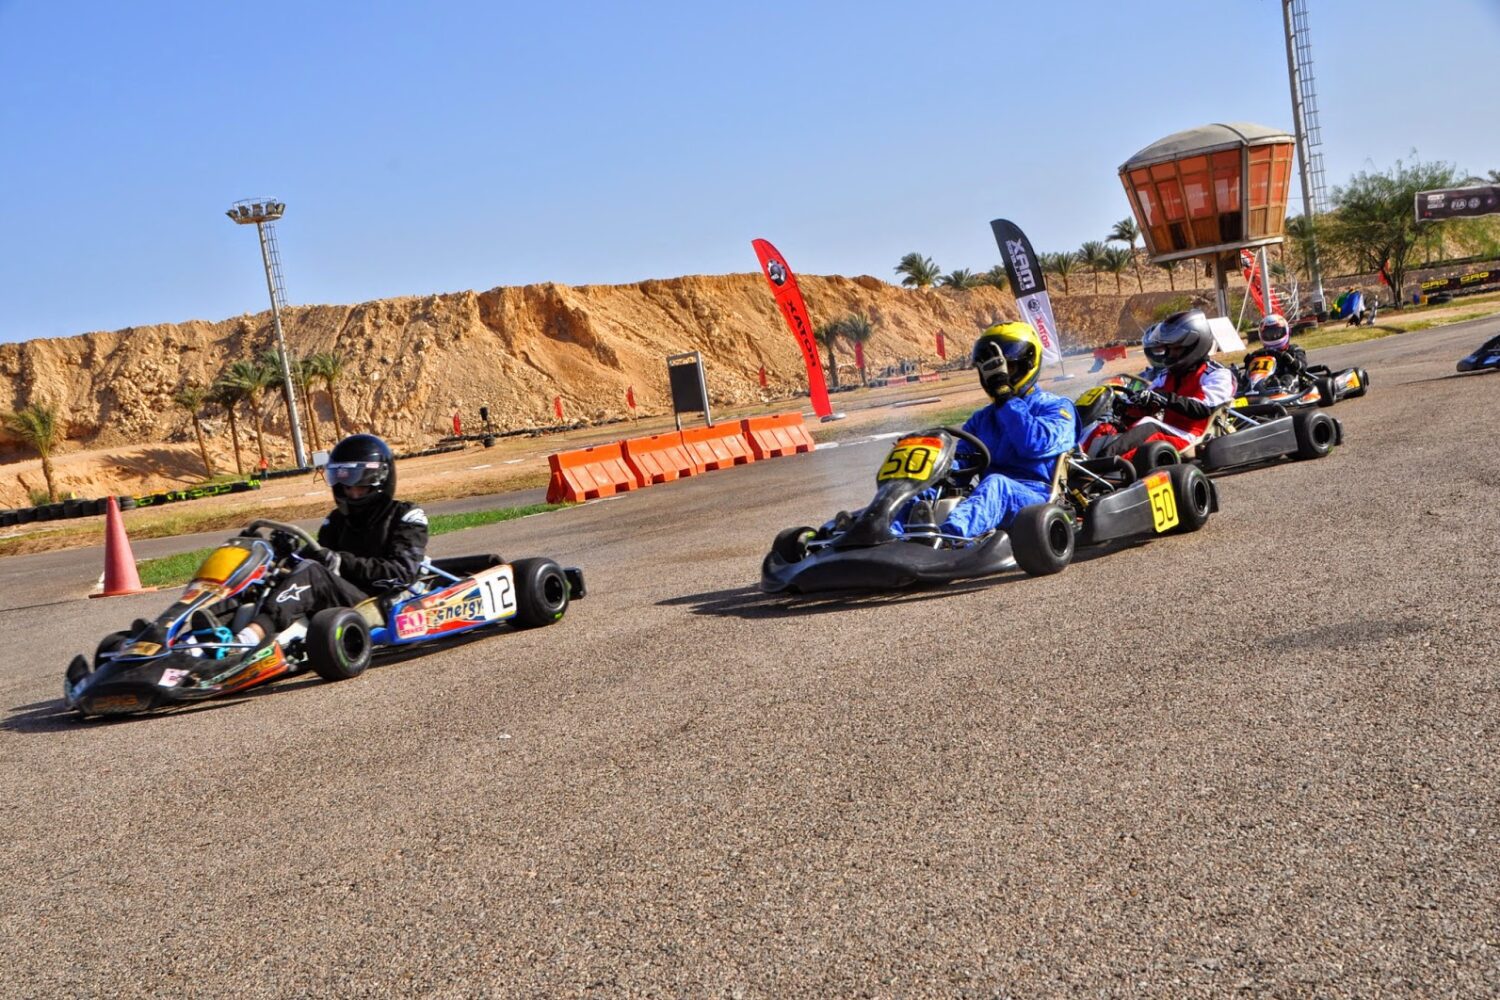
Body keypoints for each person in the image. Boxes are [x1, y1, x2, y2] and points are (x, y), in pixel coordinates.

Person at [231, 433, 429, 647]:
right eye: (345, 484)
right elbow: (316, 555)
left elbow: (401, 574)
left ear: (379, 479)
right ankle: (206, 635)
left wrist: (341, 562)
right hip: (337, 599)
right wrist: (280, 554)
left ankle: (249, 638)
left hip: (375, 603)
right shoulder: (337, 520)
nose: (352, 492)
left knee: (312, 573)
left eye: (359, 484)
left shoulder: (406, 515)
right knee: (261, 573)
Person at [924, 322, 1076, 538]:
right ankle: (881, 532)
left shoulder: (1056, 407)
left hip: (1037, 499)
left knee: (997, 485)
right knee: (921, 489)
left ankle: (949, 539)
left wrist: (1006, 398)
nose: (995, 378)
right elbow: (962, 464)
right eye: (990, 372)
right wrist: (935, 476)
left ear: (1027, 364)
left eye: (1007, 369)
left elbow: (1033, 444)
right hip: (986, 498)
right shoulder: (982, 419)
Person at [1091, 309, 1237, 458]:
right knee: (1107, 426)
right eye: (1169, 349)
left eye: (1176, 349)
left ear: (1194, 345)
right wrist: (1126, 407)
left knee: (1149, 426)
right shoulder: (1167, 375)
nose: (1171, 354)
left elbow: (1204, 408)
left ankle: (1103, 462)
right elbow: (1150, 397)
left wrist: (1164, 398)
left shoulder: (1217, 374)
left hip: (1191, 436)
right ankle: (1077, 457)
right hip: (1167, 431)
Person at [1242, 313, 1308, 391]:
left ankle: (1282, 391)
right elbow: (1251, 372)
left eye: (1277, 333)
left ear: (1286, 331)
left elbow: (1302, 367)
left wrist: (1291, 361)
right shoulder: (1259, 353)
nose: (1273, 336)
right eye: (1269, 334)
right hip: (1264, 381)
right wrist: (1249, 362)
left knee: (1288, 377)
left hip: (1285, 379)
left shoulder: (1294, 350)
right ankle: (1243, 391)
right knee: (1243, 380)